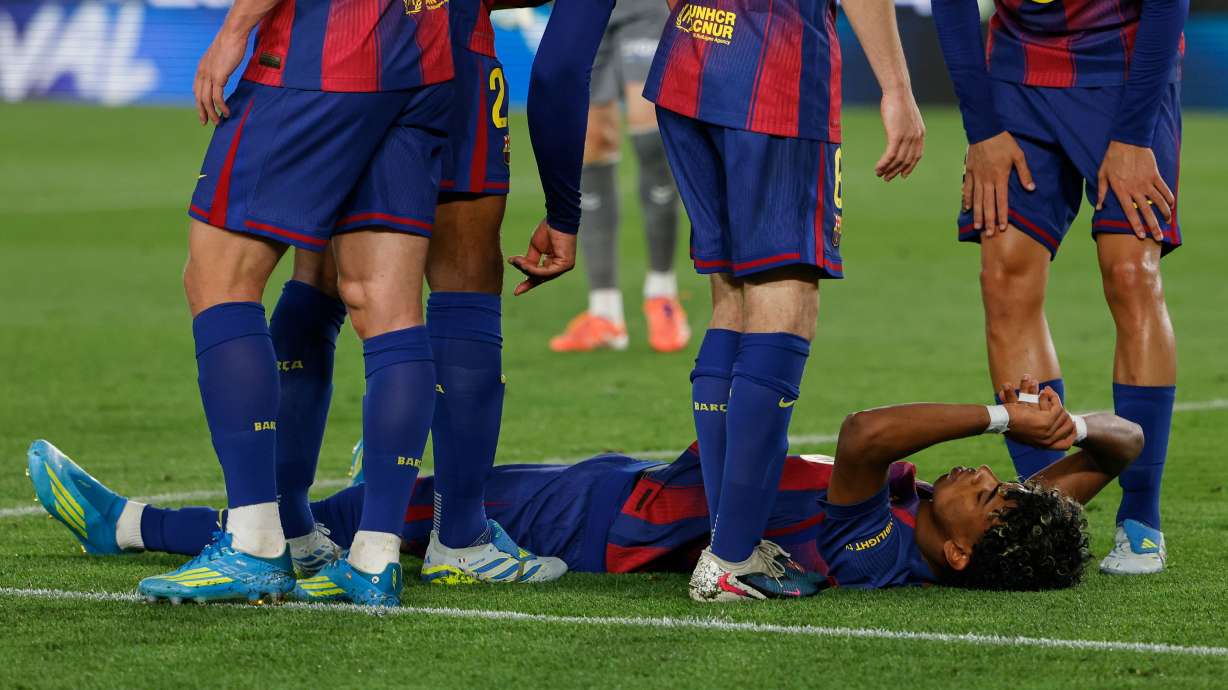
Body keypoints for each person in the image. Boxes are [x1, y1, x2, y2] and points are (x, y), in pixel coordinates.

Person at [28, 377, 1141, 594]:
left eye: (990, 498)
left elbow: (858, 430)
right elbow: (1121, 447)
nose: (987, 481)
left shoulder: (873, 540)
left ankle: (129, 525)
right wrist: (1073, 432)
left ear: (954, 552)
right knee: (385, 500)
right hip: (625, 492)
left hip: (600, 518)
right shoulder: (957, 539)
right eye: (1005, 482)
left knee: (368, 509)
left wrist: (1005, 414)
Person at [165, 0, 455, 607]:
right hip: (425, 52)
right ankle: (375, 557)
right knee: (387, 303)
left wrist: (234, 28)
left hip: (326, 50)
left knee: (219, 277)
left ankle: (253, 540)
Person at [641, 0, 926, 601]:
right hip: (775, 70)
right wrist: (898, 87)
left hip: (689, 58)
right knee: (784, 292)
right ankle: (731, 558)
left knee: (732, 294)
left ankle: (730, 542)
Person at [930, 0, 1186, 575]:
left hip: (1125, 72)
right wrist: (983, 129)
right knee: (1004, 276)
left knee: (1130, 272)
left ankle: (1140, 518)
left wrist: (1134, 134)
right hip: (1017, 74)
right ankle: (1045, 505)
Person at [547, 0, 690, 354]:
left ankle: (662, 296)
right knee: (591, 142)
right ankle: (604, 312)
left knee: (651, 134)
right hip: (581, 9)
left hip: (645, 6)